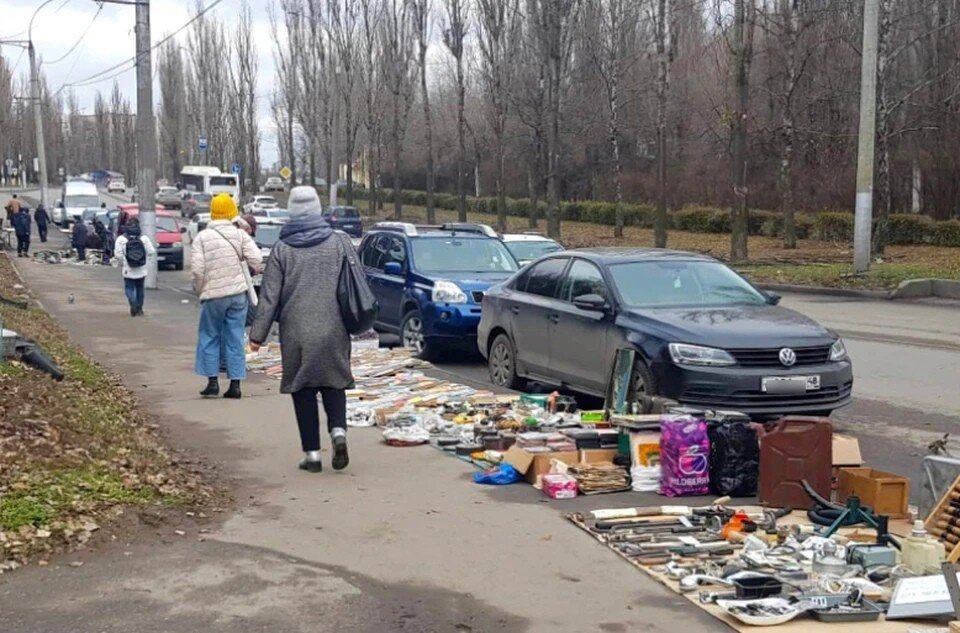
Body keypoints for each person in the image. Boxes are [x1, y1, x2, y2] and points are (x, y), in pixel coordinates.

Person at [250, 186, 356, 473]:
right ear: (318, 208)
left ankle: (312, 456)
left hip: (296, 330)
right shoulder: (338, 243)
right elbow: (355, 282)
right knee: (334, 382)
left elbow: (270, 296)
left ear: (292, 211)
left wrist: (257, 335)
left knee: (303, 388)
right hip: (334, 327)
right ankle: (338, 432)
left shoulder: (282, 249)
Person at [191, 193, 262, 399]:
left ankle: (212, 381)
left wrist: (200, 289)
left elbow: (197, 270)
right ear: (233, 212)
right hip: (238, 294)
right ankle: (235, 385)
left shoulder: (202, 237)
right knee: (235, 337)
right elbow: (256, 259)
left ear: (212, 213)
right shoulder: (239, 235)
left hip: (213, 295)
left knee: (209, 335)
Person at [113, 219, 155, 316]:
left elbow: (118, 254)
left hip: (128, 268)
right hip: (141, 268)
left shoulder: (121, 239)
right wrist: (145, 259)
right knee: (140, 288)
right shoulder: (144, 238)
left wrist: (123, 262)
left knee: (129, 287)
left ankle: (132, 302)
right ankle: (139, 309)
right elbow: (151, 251)